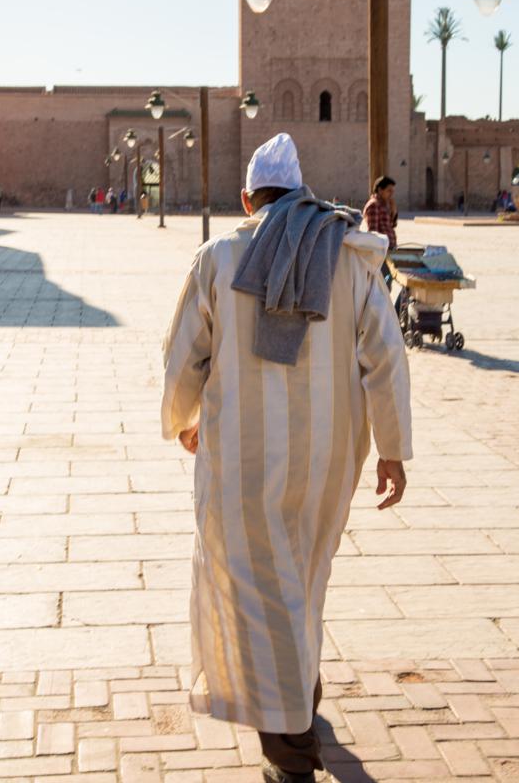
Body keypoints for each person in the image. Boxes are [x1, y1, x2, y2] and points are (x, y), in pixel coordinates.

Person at [162, 133, 412, 783]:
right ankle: (303, 696)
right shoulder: (351, 256)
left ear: (246, 199)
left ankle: (291, 752)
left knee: (258, 595)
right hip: (330, 462)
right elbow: (386, 356)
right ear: (300, 193)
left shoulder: (218, 257)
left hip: (242, 465)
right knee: (301, 583)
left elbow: (185, 356)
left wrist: (182, 420)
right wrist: (392, 451)